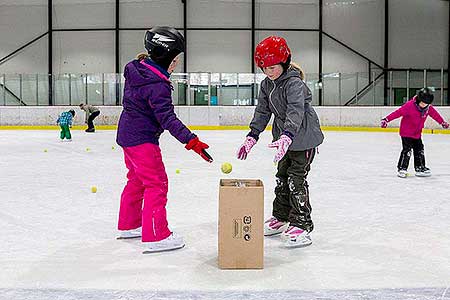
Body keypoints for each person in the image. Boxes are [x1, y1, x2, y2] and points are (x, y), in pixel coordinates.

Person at [116, 26, 212, 254]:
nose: (176, 63)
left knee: (137, 180)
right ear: (165, 55)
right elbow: (167, 118)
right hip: (142, 140)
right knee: (156, 184)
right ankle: (156, 235)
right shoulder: (157, 85)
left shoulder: (136, 70)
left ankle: (129, 225)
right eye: (175, 58)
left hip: (127, 136)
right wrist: (192, 141)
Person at [237, 36, 324, 248]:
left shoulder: (294, 83)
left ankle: (302, 223)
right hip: (283, 140)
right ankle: (281, 217)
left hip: (303, 138)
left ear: (284, 62)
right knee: (282, 178)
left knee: (296, 180)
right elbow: (262, 111)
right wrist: (252, 136)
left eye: (273, 67)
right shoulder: (267, 85)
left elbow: (296, 110)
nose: (269, 72)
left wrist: (287, 135)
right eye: (264, 68)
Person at [381, 87, 449, 178]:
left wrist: (442, 122)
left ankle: (420, 167)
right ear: (419, 100)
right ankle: (402, 168)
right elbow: (397, 113)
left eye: (427, 104)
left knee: (420, 149)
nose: (425, 105)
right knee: (407, 150)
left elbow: (435, 115)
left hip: (417, 133)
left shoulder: (428, 108)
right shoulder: (409, 106)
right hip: (406, 133)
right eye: (423, 103)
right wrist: (386, 119)